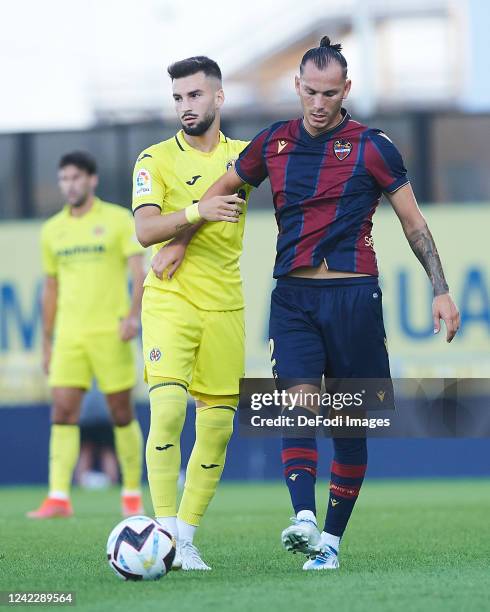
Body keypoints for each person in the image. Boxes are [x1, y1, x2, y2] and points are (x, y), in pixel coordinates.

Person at [173, 36, 460, 570]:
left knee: (350, 426)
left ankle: (330, 542)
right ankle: (303, 516)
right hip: (294, 297)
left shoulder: (373, 146)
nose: (320, 103)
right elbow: (222, 187)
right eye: (311, 92)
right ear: (297, 87)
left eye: (330, 93)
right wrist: (178, 239)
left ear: (346, 89)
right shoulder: (272, 143)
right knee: (297, 399)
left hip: (354, 298)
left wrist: (440, 289)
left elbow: (414, 224)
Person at [132, 56, 250, 570]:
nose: (186, 106)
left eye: (196, 95)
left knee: (219, 427)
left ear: (219, 98)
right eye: (179, 97)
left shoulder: (245, 156)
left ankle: (186, 536)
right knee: (168, 410)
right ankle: (160, 533)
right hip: (170, 297)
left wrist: (185, 235)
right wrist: (192, 219)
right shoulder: (152, 159)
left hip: (226, 304)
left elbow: (228, 186)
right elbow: (145, 231)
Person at [28, 151, 146, 519]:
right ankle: (58, 496)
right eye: (64, 179)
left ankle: (131, 495)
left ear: (92, 180)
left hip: (111, 331)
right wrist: (47, 340)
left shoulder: (116, 220)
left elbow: (138, 272)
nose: (70, 185)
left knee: (121, 412)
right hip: (70, 335)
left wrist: (133, 316)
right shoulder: (52, 230)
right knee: (62, 411)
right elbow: (50, 288)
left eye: (76, 177)